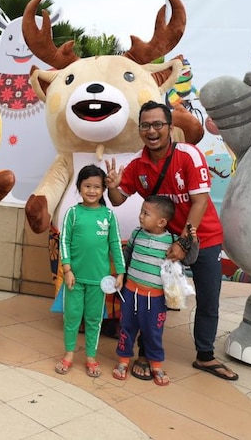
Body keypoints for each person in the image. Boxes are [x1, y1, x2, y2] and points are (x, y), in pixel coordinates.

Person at [106, 101, 239, 381]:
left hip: (202, 238)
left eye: (158, 125)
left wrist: (183, 242)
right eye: (145, 125)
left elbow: (200, 202)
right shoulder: (137, 165)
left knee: (208, 300)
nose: (151, 131)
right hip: (160, 245)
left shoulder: (188, 155)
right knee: (150, 299)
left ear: (169, 127)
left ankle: (205, 356)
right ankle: (145, 353)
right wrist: (112, 186)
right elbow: (118, 201)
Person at [55, 164, 125, 378]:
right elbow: (63, 240)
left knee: (95, 319)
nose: (92, 191)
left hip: (99, 280)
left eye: (97, 186)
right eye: (87, 186)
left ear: (103, 188)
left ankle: (91, 358)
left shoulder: (109, 216)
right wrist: (67, 269)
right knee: (72, 316)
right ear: (79, 187)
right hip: (74, 278)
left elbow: (115, 244)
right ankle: (68, 355)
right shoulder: (72, 213)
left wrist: (120, 273)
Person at [113, 195, 177, 385]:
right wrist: (120, 273)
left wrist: (193, 241)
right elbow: (127, 254)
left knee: (153, 332)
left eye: (145, 213)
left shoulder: (171, 241)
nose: (140, 216)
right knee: (126, 327)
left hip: (155, 298)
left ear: (161, 221)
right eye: (141, 212)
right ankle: (123, 361)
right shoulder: (137, 234)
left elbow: (186, 261)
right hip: (131, 293)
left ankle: (156, 364)